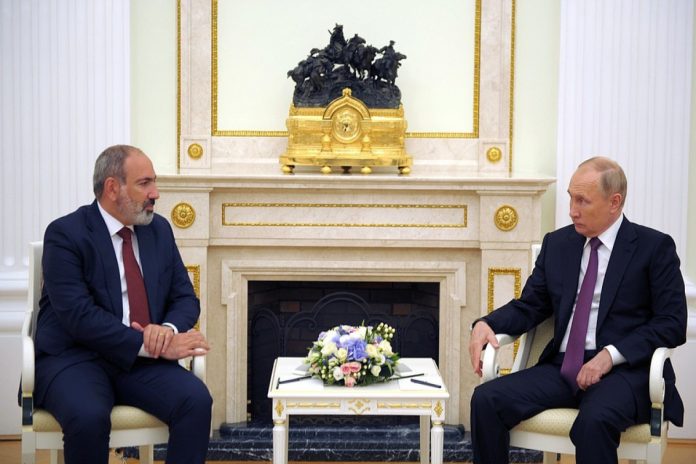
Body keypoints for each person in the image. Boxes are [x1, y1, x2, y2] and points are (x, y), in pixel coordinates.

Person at [468, 156, 687, 464]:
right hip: (563, 367)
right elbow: (531, 305)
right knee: (486, 399)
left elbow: (672, 323)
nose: (572, 210)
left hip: (625, 373)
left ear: (614, 202)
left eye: (583, 201)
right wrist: (486, 323)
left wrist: (610, 355)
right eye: (571, 198)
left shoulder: (654, 247)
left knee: (593, 421)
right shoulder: (558, 244)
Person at [34, 144, 212, 464]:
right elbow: (79, 316)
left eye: (154, 182)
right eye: (145, 183)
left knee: (196, 401)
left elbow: (185, 297)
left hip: (139, 364)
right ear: (112, 188)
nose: (155, 193)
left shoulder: (158, 230)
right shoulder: (65, 234)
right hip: (76, 358)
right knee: (88, 417)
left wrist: (166, 330)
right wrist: (151, 345)